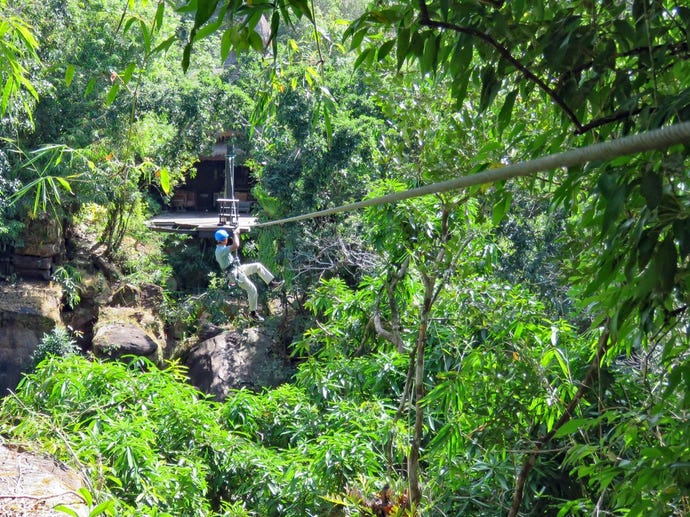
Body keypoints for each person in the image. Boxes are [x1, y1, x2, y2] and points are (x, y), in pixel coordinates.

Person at [214, 227, 283, 322]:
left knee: (258, 266)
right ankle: (253, 313)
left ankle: (272, 284)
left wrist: (235, 231)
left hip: (237, 269)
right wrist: (236, 234)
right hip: (235, 274)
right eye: (226, 238)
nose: (227, 239)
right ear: (222, 240)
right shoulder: (220, 251)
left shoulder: (221, 247)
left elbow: (231, 245)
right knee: (252, 290)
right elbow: (236, 245)